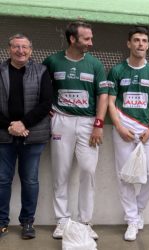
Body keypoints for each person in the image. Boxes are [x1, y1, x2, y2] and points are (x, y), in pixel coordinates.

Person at [43, 21, 109, 240]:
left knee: (88, 171)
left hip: (88, 123)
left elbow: (103, 96)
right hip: (61, 121)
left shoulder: (96, 64)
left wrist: (98, 124)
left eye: (91, 38)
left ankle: (84, 222)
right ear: (73, 39)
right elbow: (42, 88)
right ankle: (62, 221)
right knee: (60, 172)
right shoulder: (52, 61)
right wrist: (47, 109)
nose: (91, 42)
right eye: (86, 39)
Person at [107, 27, 149, 241]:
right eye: (136, 40)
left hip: (146, 130)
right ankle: (131, 220)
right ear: (128, 44)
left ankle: (138, 210)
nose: (140, 44)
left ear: (148, 45)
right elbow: (111, 102)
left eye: (144, 40)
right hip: (123, 128)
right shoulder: (117, 70)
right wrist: (119, 126)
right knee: (125, 177)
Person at [0, 34, 52, 239]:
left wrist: (23, 124)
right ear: (9, 49)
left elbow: (46, 103)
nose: (20, 51)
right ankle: (1, 221)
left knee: (30, 180)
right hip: (4, 135)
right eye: (16, 47)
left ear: (31, 50)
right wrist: (11, 126)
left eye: (24, 47)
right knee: (3, 180)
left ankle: (27, 222)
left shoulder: (41, 71)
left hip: (33, 136)